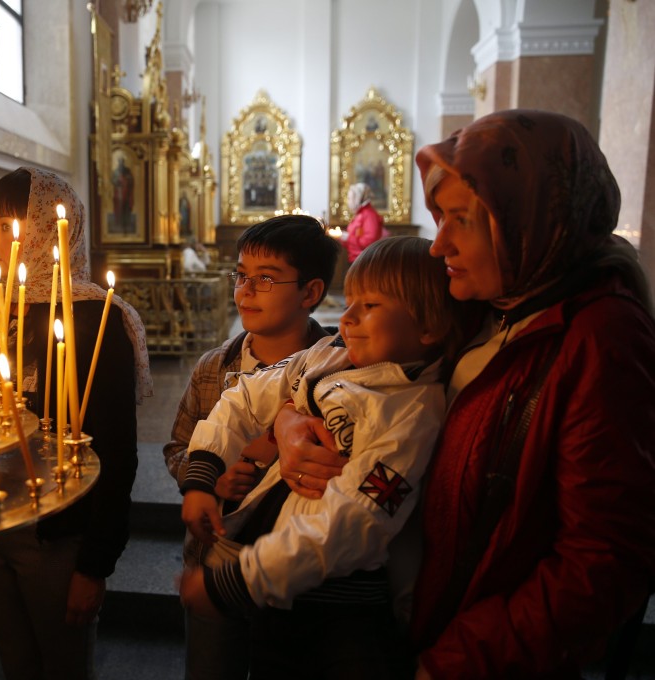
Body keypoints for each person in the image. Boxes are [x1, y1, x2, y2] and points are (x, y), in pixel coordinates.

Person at [275, 110, 655, 678]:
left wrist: (456, 662)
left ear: (526, 219)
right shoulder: (488, 303)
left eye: (462, 220)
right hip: (409, 609)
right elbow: (347, 364)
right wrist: (289, 422)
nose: (438, 244)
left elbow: (600, 563)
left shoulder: (602, 340)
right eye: (440, 218)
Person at [180, 235, 463, 679]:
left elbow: (355, 521)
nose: (346, 318)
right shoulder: (329, 354)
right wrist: (202, 476)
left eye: (369, 306)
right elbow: (247, 396)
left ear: (428, 327)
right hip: (277, 586)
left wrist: (242, 579)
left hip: (336, 606)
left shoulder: (411, 411)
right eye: (349, 301)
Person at [0, 166, 153, 679]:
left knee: (64, 666)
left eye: (7, 226)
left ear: (46, 230)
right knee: (15, 661)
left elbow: (117, 450)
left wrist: (94, 565)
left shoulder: (94, 320)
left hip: (57, 537)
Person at [164, 214, 339, 680]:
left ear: (310, 292)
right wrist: (209, 479)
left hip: (291, 571)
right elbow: (178, 446)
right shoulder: (212, 368)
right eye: (241, 275)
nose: (245, 290)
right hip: (213, 547)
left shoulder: (336, 375)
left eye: (265, 278)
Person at [345, 182, 386, 263]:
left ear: (358, 198)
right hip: (356, 259)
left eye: (349, 198)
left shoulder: (369, 215)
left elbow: (370, 242)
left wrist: (347, 238)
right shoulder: (359, 214)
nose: (348, 201)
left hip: (365, 261)